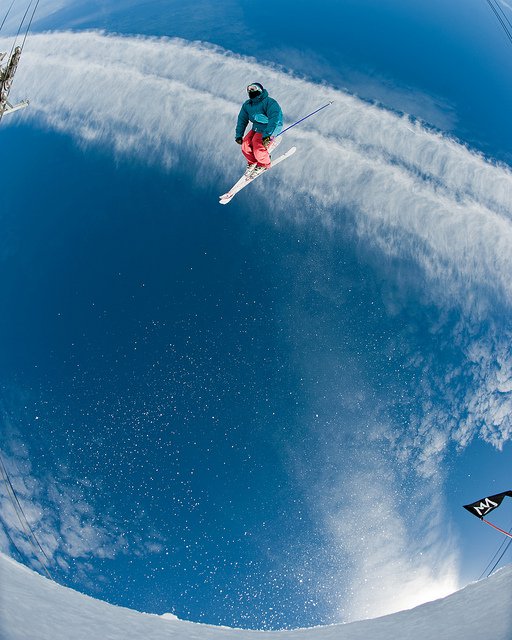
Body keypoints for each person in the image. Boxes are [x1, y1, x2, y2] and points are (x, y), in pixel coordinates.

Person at [235, 83, 283, 178]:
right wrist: (239, 135)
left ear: (260, 90)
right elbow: (242, 119)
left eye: (254, 88)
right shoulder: (247, 105)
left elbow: (276, 119)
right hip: (256, 127)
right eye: (249, 89)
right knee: (245, 144)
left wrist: (268, 135)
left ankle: (264, 163)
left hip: (268, 127)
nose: (251, 91)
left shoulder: (269, 102)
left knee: (257, 146)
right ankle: (253, 162)